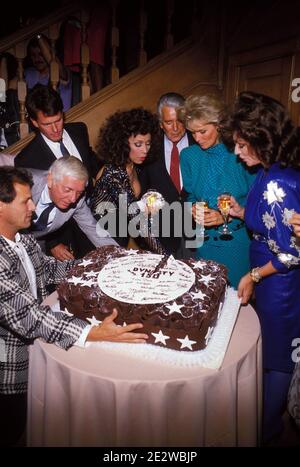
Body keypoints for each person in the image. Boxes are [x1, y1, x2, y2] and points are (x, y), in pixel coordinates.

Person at [0, 166, 148, 446]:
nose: (33, 207)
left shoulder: (23, 240)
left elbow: (51, 269)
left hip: (34, 357)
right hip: (8, 370)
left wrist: (102, 263)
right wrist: (92, 332)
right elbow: (29, 317)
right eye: (25, 201)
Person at [224, 91, 300, 444]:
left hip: (280, 289)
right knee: (268, 352)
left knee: (278, 357)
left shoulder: (278, 183)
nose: (236, 152)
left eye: (241, 144)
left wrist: (253, 276)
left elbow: (291, 254)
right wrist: (240, 212)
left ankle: (267, 430)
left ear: (262, 138)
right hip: (270, 280)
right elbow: (272, 224)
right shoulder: (270, 169)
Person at [14, 84, 101, 259]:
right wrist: (51, 243)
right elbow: (29, 218)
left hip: (89, 212)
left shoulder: (79, 130)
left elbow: (90, 160)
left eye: (58, 120)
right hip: (62, 231)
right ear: (34, 122)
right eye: (47, 124)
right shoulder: (26, 160)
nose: (55, 129)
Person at [178, 94, 256, 288]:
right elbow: (190, 195)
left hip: (236, 242)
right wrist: (193, 208)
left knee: (235, 300)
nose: (197, 138)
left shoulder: (240, 154)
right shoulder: (188, 156)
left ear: (219, 125)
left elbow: (258, 202)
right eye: (192, 132)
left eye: (203, 131)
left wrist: (225, 217)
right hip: (203, 242)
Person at [90, 108, 164, 253]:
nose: (145, 150)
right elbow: (138, 221)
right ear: (122, 143)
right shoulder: (114, 174)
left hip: (120, 238)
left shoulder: (134, 165)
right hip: (97, 241)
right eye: (138, 144)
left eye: (148, 143)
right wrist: (165, 255)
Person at [139, 92, 194, 258]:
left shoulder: (200, 142)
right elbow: (141, 191)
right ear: (160, 124)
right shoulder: (148, 148)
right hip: (162, 237)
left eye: (180, 121)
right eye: (169, 122)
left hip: (198, 233)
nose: (176, 128)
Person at [27, 156, 117, 254]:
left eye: (79, 193)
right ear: (50, 180)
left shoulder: (78, 201)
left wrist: (121, 255)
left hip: (36, 246)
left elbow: (93, 230)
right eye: (67, 190)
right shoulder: (23, 183)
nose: (73, 199)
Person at [23, 34, 72, 112]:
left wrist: (38, 35)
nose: (37, 59)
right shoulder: (29, 73)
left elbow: (52, 61)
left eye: (41, 54)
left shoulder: (60, 72)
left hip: (61, 120)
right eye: (33, 55)